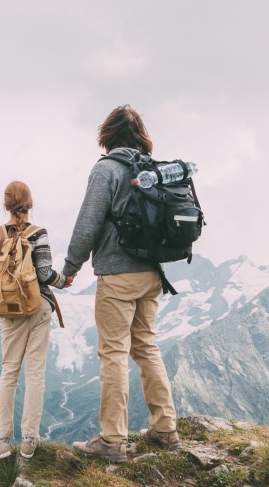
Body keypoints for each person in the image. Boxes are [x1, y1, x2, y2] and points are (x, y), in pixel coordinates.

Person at [62, 105, 180, 464]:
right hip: (152, 273)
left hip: (118, 274)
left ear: (107, 135)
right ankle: (165, 429)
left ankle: (112, 440)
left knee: (113, 352)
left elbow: (88, 224)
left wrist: (70, 267)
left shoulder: (107, 170)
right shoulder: (152, 170)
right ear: (139, 135)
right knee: (146, 346)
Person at [0, 180, 72, 459]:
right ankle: (29, 440)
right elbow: (45, 274)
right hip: (37, 308)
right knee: (34, 373)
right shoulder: (39, 233)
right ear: (30, 203)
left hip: (8, 310)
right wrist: (63, 281)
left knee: (9, 371)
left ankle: (0, 440)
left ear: (6, 204)